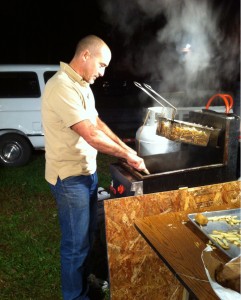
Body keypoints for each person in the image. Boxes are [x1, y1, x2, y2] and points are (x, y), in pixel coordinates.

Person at [41, 34, 147, 300]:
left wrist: (126, 148)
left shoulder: (82, 86)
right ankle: (74, 296)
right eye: (101, 65)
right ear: (85, 55)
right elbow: (89, 134)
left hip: (87, 174)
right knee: (75, 246)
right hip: (69, 179)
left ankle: (84, 287)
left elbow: (97, 123)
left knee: (87, 238)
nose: (102, 72)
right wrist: (129, 156)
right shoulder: (61, 86)